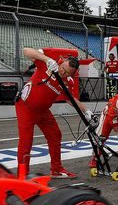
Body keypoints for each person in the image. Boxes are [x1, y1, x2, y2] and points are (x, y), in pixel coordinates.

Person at [16, 47, 89, 179]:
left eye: (67, 73)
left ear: (71, 74)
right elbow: (26, 51)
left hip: (43, 111)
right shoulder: (48, 64)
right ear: (61, 63)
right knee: (26, 142)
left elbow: (70, 99)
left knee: (56, 135)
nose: (62, 72)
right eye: (62, 68)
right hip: (25, 107)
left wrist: (86, 111)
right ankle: (22, 175)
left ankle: (56, 170)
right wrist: (47, 59)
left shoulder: (68, 82)